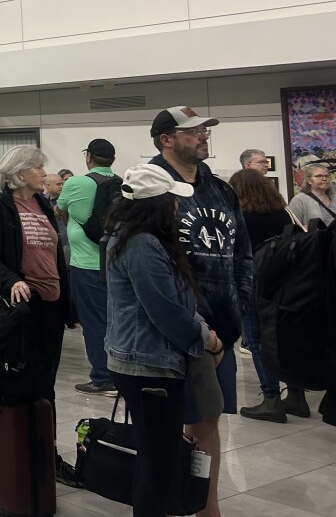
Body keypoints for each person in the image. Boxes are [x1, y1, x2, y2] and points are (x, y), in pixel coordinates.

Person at [149, 106, 253, 517]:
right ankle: (162, 503)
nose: (203, 136)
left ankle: (207, 508)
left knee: (207, 423)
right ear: (166, 140)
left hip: (220, 331)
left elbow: (241, 253)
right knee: (161, 429)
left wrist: (238, 306)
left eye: (205, 130)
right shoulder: (149, 187)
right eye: (193, 131)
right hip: (167, 332)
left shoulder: (220, 189)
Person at [104, 163, 220, 517]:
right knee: (159, 466)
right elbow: (164, 309)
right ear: (156, 203)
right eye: (173, 199)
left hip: (148, 361)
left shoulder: (141, 239)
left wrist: (200, 331)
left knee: (158, 459)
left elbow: (178, 299)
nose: (178, 207)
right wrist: (205, 340)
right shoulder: (140, 244)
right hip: (146, 365)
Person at [0, 145, 78, 486]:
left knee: (46, 380)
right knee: (29, 381)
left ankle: (45, 452)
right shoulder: (0, 208)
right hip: (21, 306)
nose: (45, 174)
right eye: (38, 168)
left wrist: (68, 307)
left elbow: (56, 259)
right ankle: (33, 455)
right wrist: (13, 280)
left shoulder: (42, 205)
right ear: (20, 174)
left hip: (50, 305)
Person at [230, 169, 310, 422]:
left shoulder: (240, 217)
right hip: (287, 284)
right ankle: (297, 396)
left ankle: (271, 399)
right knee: (285, 338)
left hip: (254, 283)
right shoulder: (283, 212)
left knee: (256, 341)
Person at [57, 138, 119, 396]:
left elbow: (59, 211)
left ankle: (103, 378)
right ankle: (119, 373)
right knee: (115, 321)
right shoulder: (120, 183)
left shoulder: (76, 183)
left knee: (94, 323)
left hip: (85, 264)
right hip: (114, 264)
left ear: (89, 157)